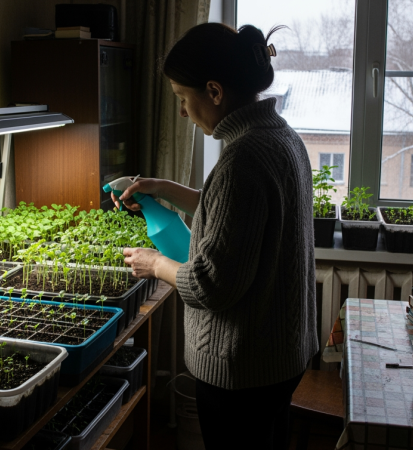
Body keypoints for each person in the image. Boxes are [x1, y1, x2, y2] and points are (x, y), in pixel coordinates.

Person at [114, 23, 319, 450]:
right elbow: (233, 214)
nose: (184, 112)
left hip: (242, 370)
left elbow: (210, 285)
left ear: (214, 91)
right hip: (282, 355)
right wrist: (163, 188)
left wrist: (155, 264)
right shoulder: (281, 137)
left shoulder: (241, 159)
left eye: (183, 98)